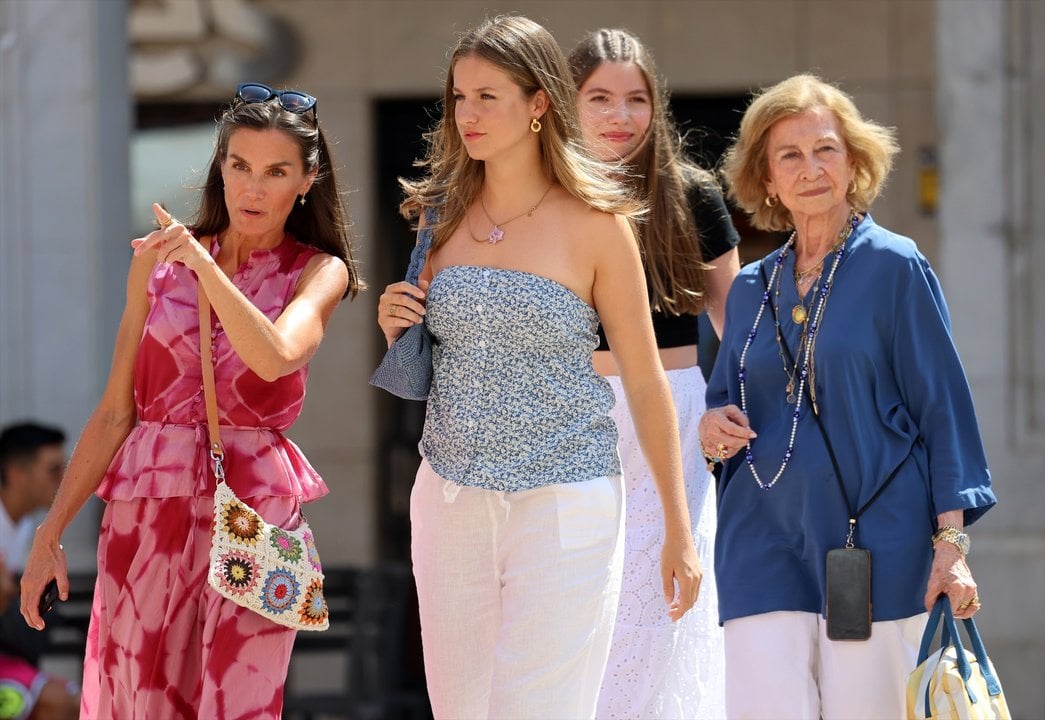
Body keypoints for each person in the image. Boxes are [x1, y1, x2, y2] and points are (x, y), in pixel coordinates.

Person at [376, 15, 701, 720]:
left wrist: (676, 527)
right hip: (450, 499)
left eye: (487, 96)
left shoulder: (597, 224)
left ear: (537, 105)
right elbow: (431, 357)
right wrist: (396, 322)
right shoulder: (438, 215)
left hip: (566, 503)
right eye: (458, 97)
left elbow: (643, 380)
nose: (466, 114)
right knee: (458, 707)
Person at [18, 82, 362, 719]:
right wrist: (52, 531)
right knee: (138, 697)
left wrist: (206, 268)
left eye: (276, 171)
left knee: (239, 698)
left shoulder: (319, 271)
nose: (253, 189)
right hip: (146, 512)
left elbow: (276, 357)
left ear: (307, 181)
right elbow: (118, 410)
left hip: (250, 513)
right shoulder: (155, 264)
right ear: (221, 167)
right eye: (240, 167)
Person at [699, 73, 996, 719]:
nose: (810, 169)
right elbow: (722, 399)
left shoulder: (895, 266)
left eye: (825, 149)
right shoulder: (749, 288)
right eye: (789, 155)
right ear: (765, 178)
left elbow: (942, 411)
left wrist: (952, 549)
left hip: (875, 550)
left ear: (853, 161)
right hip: (760, 545)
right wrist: (709, 428)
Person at [568, 28, 739, 720]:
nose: (619, 116)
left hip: (673, 413)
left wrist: (722, 409)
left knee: (666, 608)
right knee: (581, 612)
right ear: (565, 104)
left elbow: (740, 331)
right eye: (600, 98)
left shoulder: (691, 194)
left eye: (635, 99)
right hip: (571, 418)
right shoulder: (548, 199)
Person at [1, 422, 79, 720]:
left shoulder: (24, 528)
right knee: (58, 704)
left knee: (78, 701)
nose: (64, 480)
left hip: (12, 661)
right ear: (15, 475)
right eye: (53, 470)